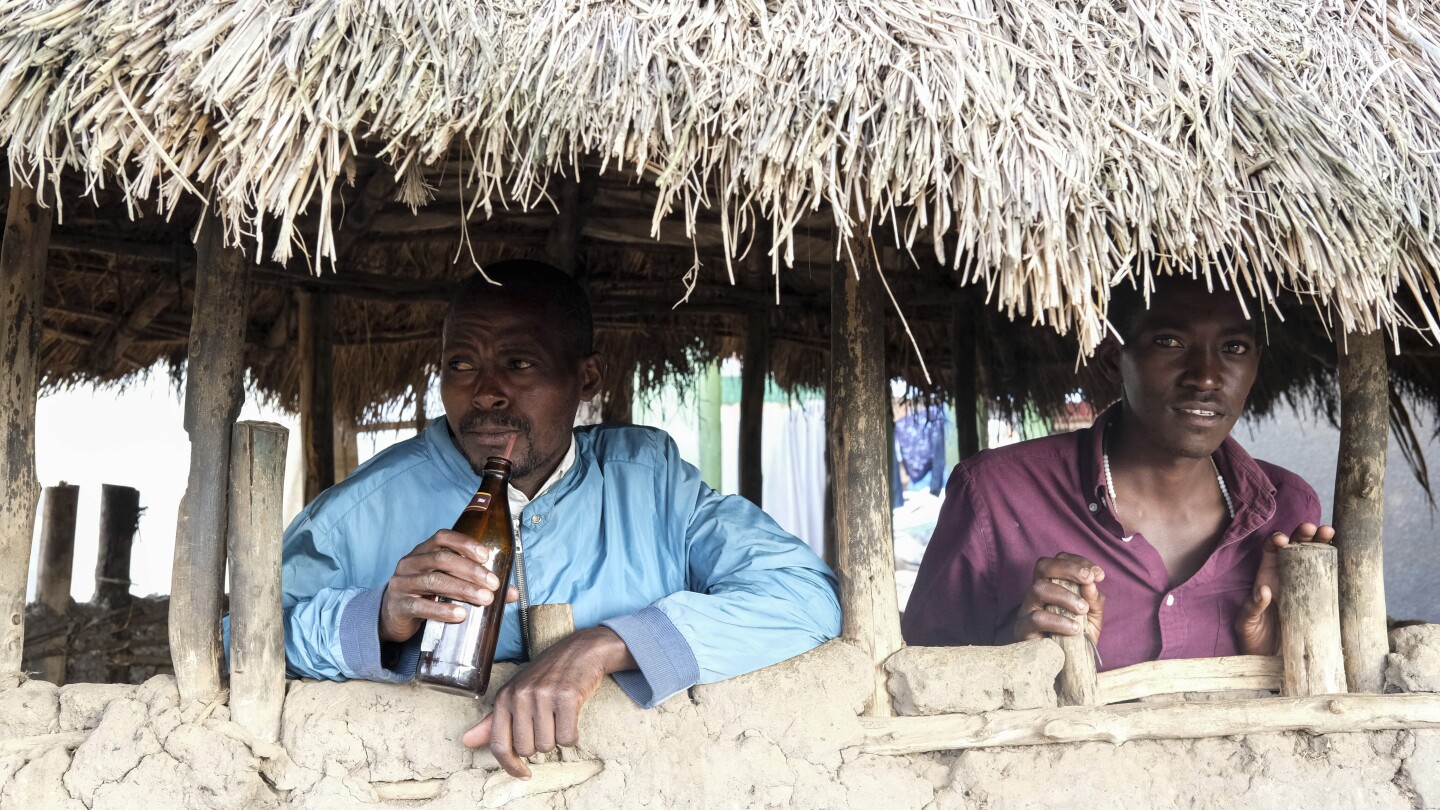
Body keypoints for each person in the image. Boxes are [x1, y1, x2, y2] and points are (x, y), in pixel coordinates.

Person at [278, 260, 840, 778]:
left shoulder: (652, 484)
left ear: (587, 378)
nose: (487, 393)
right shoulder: (357, 512)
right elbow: (236, 639)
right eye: (461, 365)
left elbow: (805, 598)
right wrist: (376, 618)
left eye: (519, 363)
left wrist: (608, 644)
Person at [902, 274, 1331, 670]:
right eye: (1170, 341)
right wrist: (1017, 658)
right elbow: (919, 675)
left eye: (1234, 347)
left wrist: (1280, 657)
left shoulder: (1287, 510)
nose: (1205, 377)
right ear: (1113, 359)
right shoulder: (997, 496)